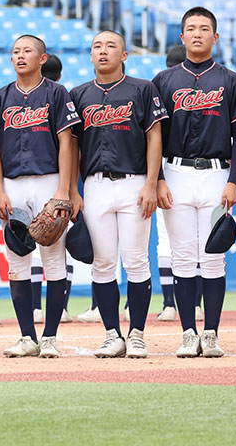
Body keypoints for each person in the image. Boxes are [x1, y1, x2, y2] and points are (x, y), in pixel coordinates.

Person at [152, 7, 236, 358]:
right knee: (182, 258)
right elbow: (153, 136)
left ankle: (210, 333)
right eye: (191, 29)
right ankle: (187, 333)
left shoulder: (230, 80)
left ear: (214, 36)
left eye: (204, 28)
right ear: (181, 37)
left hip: (216, 175)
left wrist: (234, 182)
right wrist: (159, 179)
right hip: (176, 173)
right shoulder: (164, 80)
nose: (197, 34)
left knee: (213, 257)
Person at [70, 30, 168, 358]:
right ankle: (113, 333)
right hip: (95, 185)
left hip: (134, 183)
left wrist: (152, 183)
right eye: (97, 46)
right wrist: (73, 191)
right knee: (103, 263)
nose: (103, 51)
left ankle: (137, 333)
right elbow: (71, 147)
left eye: (111, 46)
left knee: (137, 261)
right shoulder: (79, 94)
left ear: (124, 55)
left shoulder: (142, 89)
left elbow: (155, 137)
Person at [0, 35, 79, 358]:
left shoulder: (57, 93)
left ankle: (50, 336)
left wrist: (64, 191)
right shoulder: (0, 97)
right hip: (12, 183)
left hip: (48, 181)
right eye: (15, 51)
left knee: (53, 258)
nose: (20, 56)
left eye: (27, 51)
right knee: (17, 261)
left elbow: (67, 143)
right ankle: (27, 336)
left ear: (42, 58)